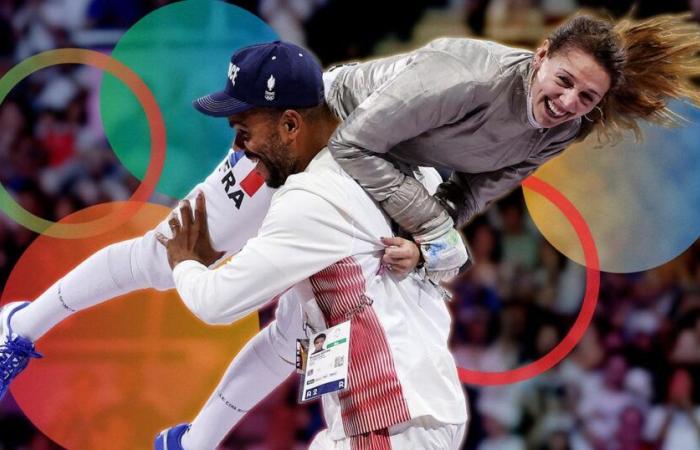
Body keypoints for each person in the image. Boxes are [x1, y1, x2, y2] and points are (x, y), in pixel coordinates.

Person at [153, 40, 467, 449]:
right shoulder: (397, 159)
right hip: (418, 410)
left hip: (386, 421)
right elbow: (452, 254)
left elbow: (216, 302)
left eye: (244, 133)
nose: (238, 150)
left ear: (289, 125)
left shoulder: (309, 200)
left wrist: (184, 260)